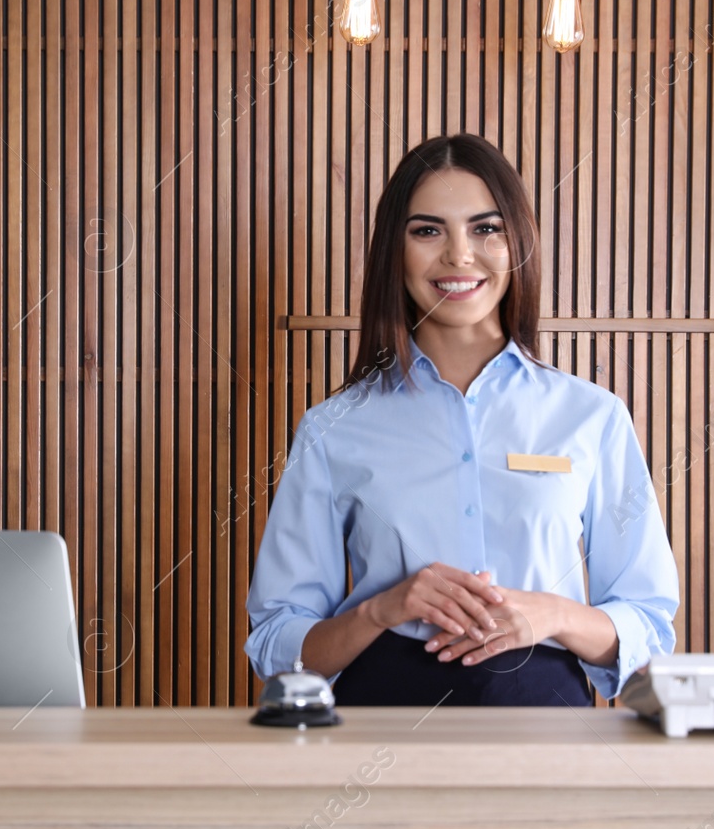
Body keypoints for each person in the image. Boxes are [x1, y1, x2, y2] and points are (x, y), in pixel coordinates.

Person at [243, 134, 680, 707]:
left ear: (517, 242)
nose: (458, 255)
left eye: (485, 228)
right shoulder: (333, 428)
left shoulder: (592, 417)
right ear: (393, 253)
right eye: (428, 231)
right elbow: (278, 646)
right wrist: (382, 607)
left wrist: (552, 613)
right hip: (380, 734)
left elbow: (650, 633)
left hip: (551, 733)